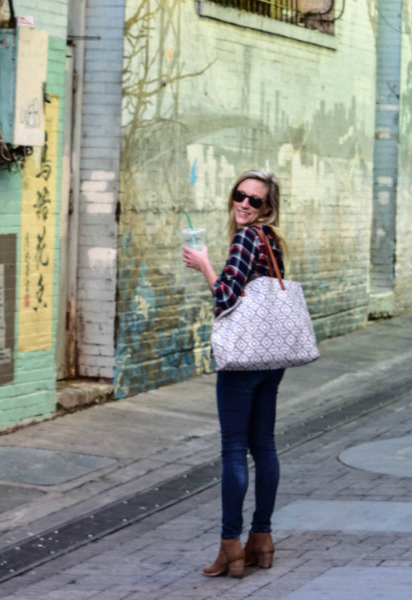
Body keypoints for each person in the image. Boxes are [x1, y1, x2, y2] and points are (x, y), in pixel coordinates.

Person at [182, 169, 287, 578]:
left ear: (268, 208)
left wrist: (205, 264)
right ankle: (261, 539)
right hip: (271, 358)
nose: (244, 204)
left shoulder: (246, 238)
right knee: (264, 447)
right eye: (239, 195)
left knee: (234, 449)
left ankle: (230, 546)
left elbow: (226, 297)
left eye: (255, 200)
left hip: (243, 360)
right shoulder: (272, 240)